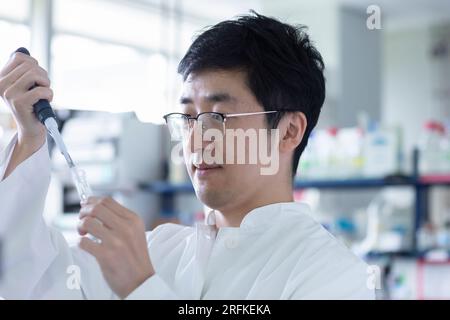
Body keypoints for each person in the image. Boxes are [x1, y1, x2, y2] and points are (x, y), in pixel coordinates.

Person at [0, 12, 374, 299]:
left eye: (218, 116)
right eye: (189, 118)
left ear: (289, 131)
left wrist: (141, 286)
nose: (195, 140)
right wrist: (29, 139)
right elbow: (31, 281)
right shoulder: (157, 248)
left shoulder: (334, 276)